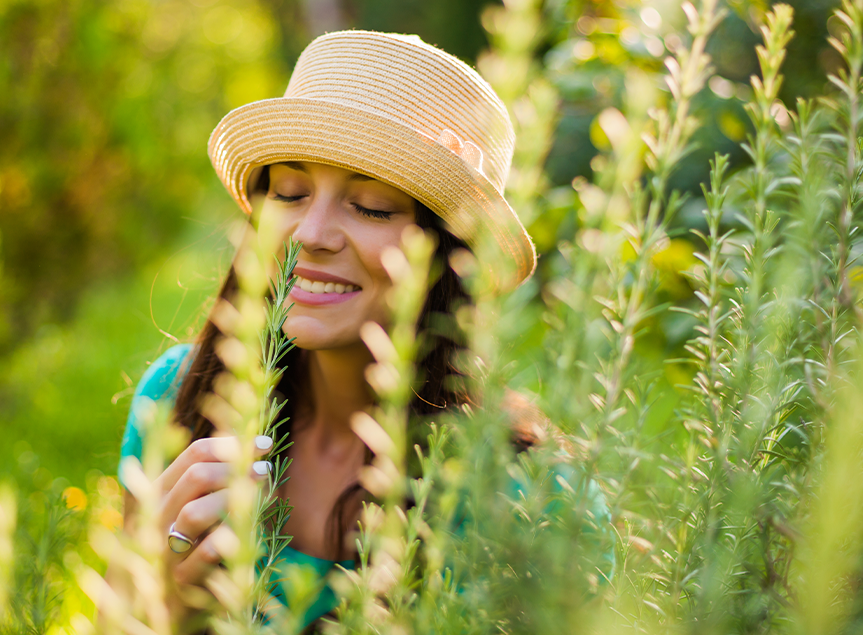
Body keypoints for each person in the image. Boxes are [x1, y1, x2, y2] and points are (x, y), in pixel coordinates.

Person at [118, 30, 611, 631]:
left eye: (372, 206)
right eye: (290, 192)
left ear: (449, 256)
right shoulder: (175, 399)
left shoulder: (536, 499)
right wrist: (157, 609)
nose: (310, 232)